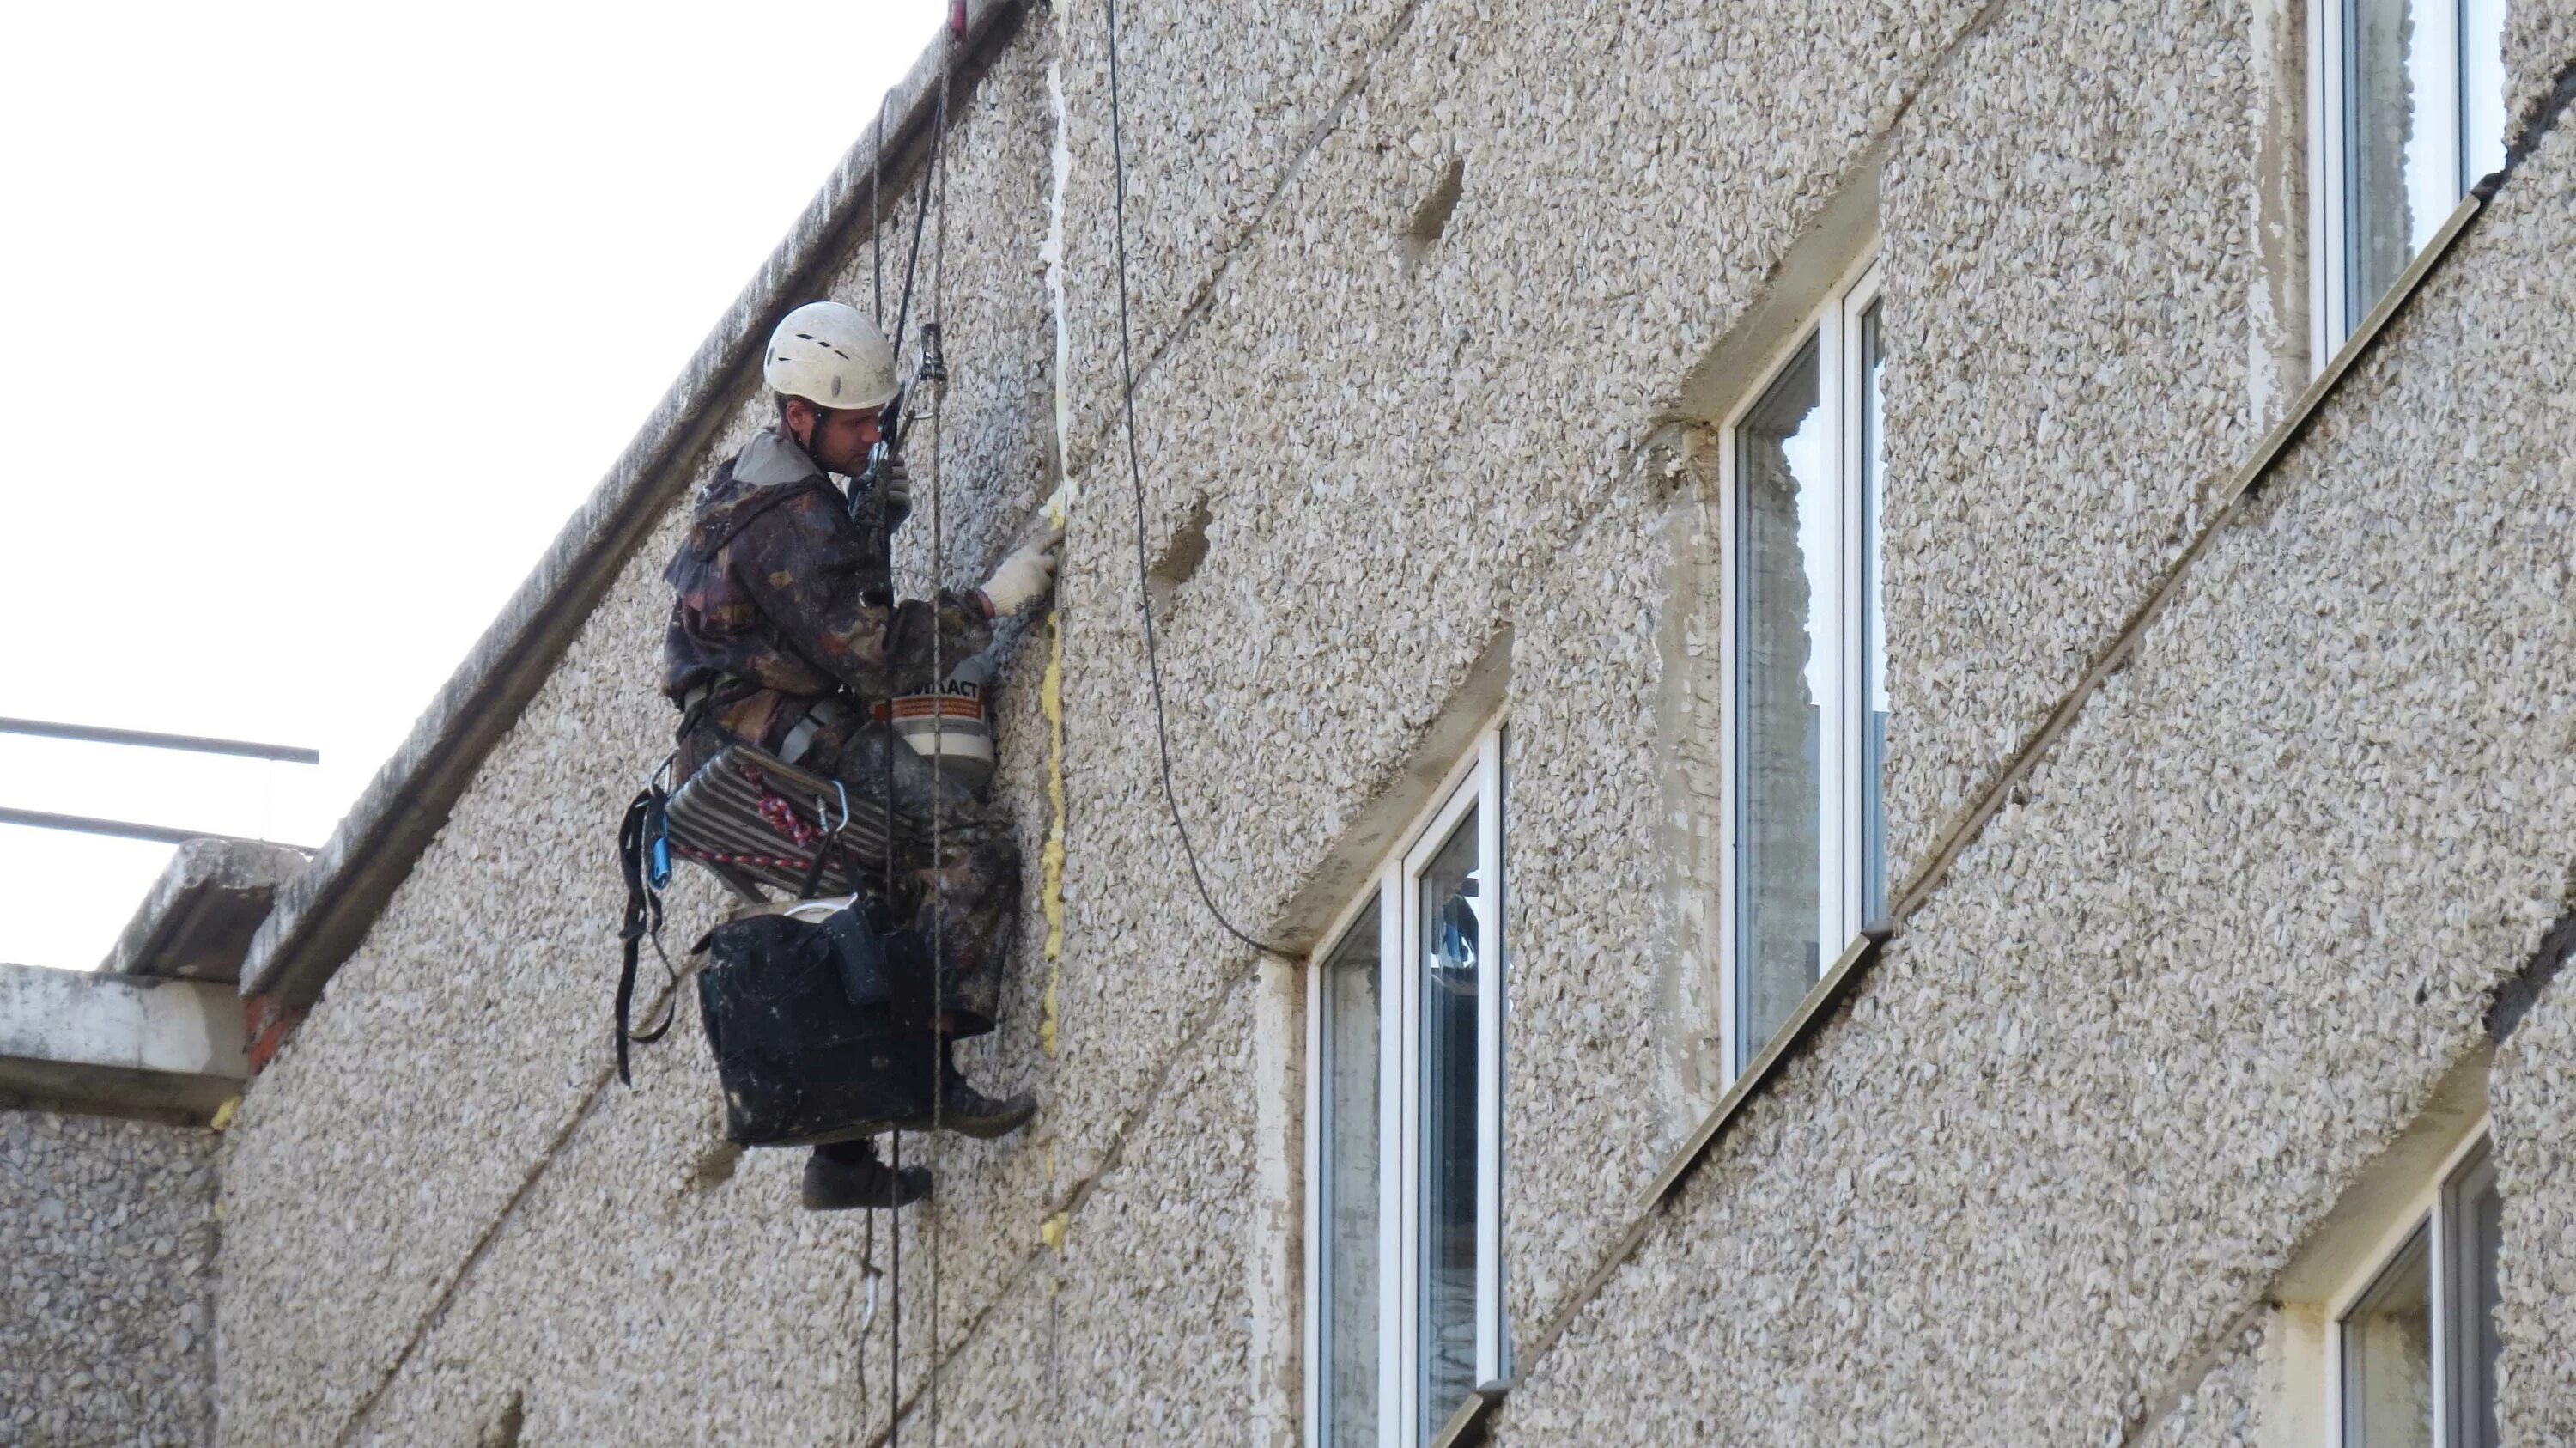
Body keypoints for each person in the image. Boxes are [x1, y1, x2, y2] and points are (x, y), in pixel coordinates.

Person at [662, 301, 1062, 1210]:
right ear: (799, 416)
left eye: (876, 415)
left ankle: (839, 1162)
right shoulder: (789, 517)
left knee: (867, 907)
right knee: (964, 851)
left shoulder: (757, 482)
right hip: (765, 735)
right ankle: (929, 1077)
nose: (873, 430)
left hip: (733, 738)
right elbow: (875, 658)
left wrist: (863, 530)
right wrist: (991, 603)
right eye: (857, 421)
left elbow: (811, 619)